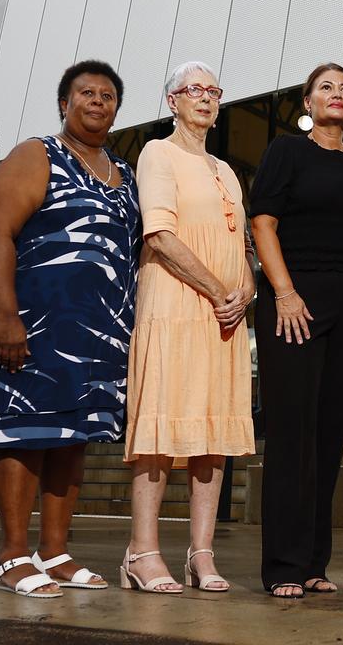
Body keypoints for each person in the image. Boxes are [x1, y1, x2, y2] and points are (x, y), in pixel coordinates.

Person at [0, 61, 139, 598]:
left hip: (98, 332)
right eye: (86, 93)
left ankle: (55, 550)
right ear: (63, 103)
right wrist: (5, 315)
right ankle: (12, 554)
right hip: (34, 322)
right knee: (27, 431)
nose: (98, 101)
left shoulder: (124, 172)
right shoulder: (38, 153)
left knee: (74, 436)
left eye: (108, 95)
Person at [250, 64, 343, 598]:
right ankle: (282, 565)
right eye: (326, 87)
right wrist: (282, 292)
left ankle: (312, 563)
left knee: (330, 436)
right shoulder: (287, 152)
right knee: (292, 435)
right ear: (307, 102)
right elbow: (263, 222)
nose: (337, 95)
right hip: (295, 303)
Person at [122, 61, 255, 594]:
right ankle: (142, 551)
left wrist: (244, 289)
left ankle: (202, 552)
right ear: (172, 101)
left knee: (212, 431)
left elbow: (240, 245)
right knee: (160, 425)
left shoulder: (226, 170)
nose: (205, 97)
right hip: (175, 307)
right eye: (193, 89)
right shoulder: (158, 153)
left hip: (223, 317)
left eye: (213, 90)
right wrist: (220, 290)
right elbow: (160, 236)